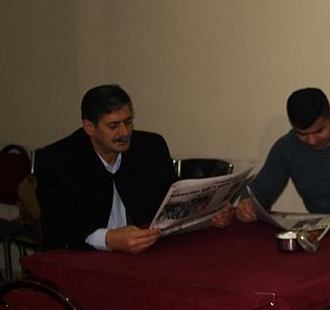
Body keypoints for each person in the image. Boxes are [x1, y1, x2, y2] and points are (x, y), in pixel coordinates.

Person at [236, 87, 330, 310]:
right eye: (302, 134)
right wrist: (247, 203)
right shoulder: (288, 146)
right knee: (267, 285)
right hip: (320, 240)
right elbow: (262, 188)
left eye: (318, 131)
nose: (311, 141)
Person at [36, 84, 234, 253]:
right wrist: (108, 239)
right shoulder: (57, 160)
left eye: (128, 122)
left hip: (146, 252)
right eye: (114, 126)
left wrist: (209, 214)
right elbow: (57, 227)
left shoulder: (150, 147)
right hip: (82, 256)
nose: (124, 133)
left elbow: (170, 203)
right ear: (89, 127)